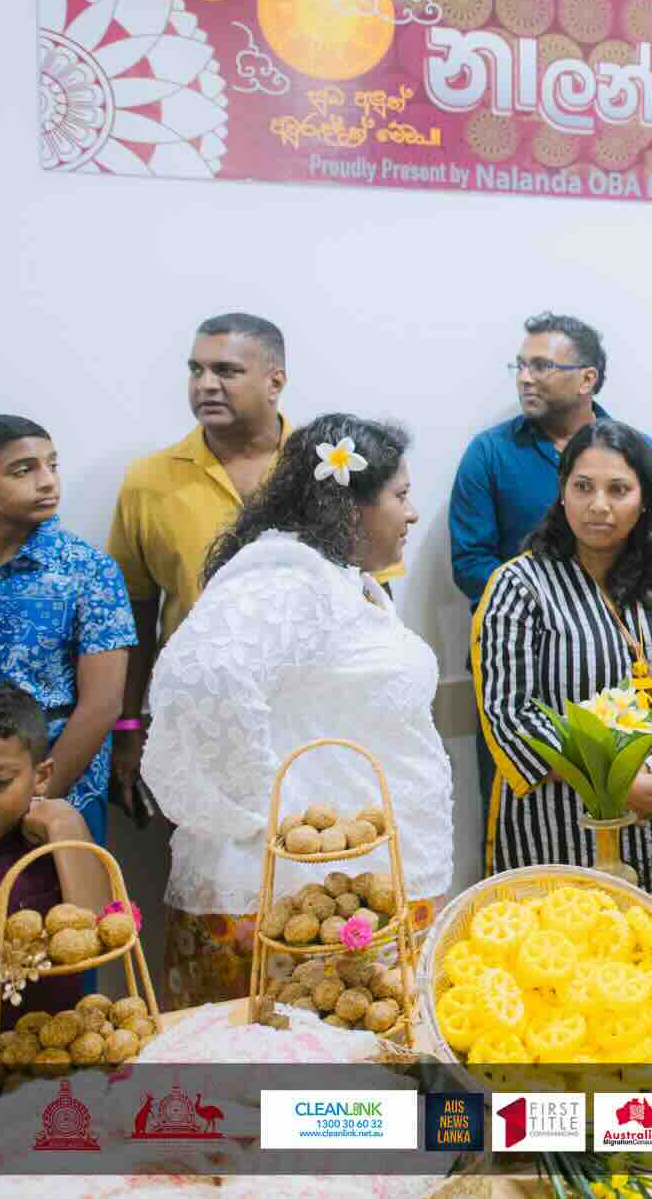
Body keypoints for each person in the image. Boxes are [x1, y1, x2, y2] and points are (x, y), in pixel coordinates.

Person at [142, 416, 450, 1009]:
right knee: (281, 1091)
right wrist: (258, 807)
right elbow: (200, 679)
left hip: (359, 880)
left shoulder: (339, 582)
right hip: (297, 895)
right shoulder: (284, 580)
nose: (412, 514)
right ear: (351, 505)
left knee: (365, 1084)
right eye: (401, 496)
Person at [472, 420, 652, 906]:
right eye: (583, 487)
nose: (598, 505)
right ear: (562, 492)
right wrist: (613, 782)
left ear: (645, 498)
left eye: (619, 489)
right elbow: (510, 716)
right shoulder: (519, 585)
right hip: (557, 834)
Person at [449, 312, 652, 832]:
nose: (525, 377)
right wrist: (563, 610)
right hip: (524, 678)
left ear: (587, 378)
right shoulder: (489, 453)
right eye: (521, 365)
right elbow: (470, 564)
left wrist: (603, 624)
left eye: (542, 365)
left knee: (631, 816)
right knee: (535, 832)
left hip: (625, 674)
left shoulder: (636, 451)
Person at [109, 313, 316, 811]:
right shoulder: (150, 480)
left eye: (225, 371)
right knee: (212, 876)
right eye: (195, 370)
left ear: (276, 381)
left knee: (320, 871)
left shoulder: (327, 466)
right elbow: (132, 614)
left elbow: (373, 593)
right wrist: (128, 726)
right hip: (198, 721)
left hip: (314, 713)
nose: (205, 385)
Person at [0, 416, 134, 843]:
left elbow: (102, 705)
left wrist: (34, 799)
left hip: (60, 794)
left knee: (67, 909)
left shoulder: (89, 570)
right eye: (24, 470)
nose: (47, 481)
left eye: (52, 465)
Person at [0, 683, 110, 1023]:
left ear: (40, 778)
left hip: (39, 1052)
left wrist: (65, 824)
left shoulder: (48, 849)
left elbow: (102, 932)